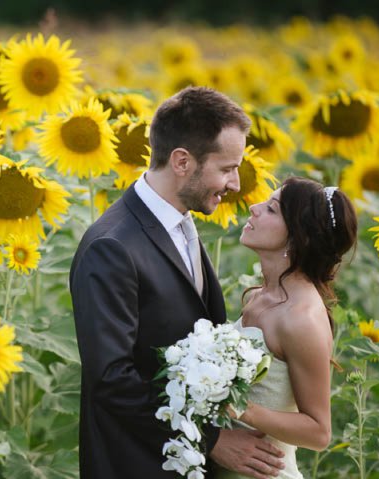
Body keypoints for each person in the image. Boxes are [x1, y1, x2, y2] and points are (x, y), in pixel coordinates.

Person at [69, 86, 286, 479]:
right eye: (226, 168)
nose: (236, 184)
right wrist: (211, 442)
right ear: (182, 161)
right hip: (135, 465)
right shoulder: (112, 246)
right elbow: (111, 379)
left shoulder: (181, 223)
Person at [216, 177, 358, 478]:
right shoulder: (259, 296)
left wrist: (237, 406)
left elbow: (319, 433)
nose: (253, 208)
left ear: (297, 237)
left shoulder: (301, 318)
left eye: (271, 209)